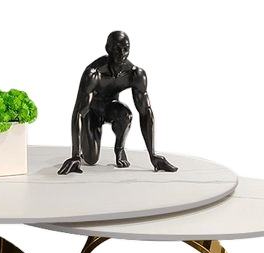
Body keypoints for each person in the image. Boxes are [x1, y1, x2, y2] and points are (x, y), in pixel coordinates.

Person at [58, 31, 177, 175]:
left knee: (126, 115)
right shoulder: (94, 74)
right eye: (117, 49)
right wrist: (75, 155)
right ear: (108, 49)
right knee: (91, 159)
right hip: (92, 112)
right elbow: (78, 113)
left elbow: (146, 113)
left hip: (111, 109)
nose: (122, 54)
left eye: (126, 49)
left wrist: (153, 155)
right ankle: (86, 150)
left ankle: (119, 149)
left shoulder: (135, 74)